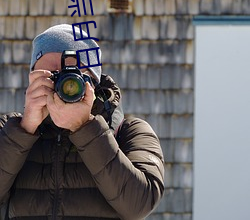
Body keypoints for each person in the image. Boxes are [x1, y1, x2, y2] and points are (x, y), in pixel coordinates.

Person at [0, 24, 164, 220]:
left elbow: (139, 205)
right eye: (49, 77)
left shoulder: (130, 132)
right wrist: (24, 130)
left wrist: (85, 128)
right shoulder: (9, 130)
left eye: (70, 78)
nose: (60, 86)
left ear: (93, 82)